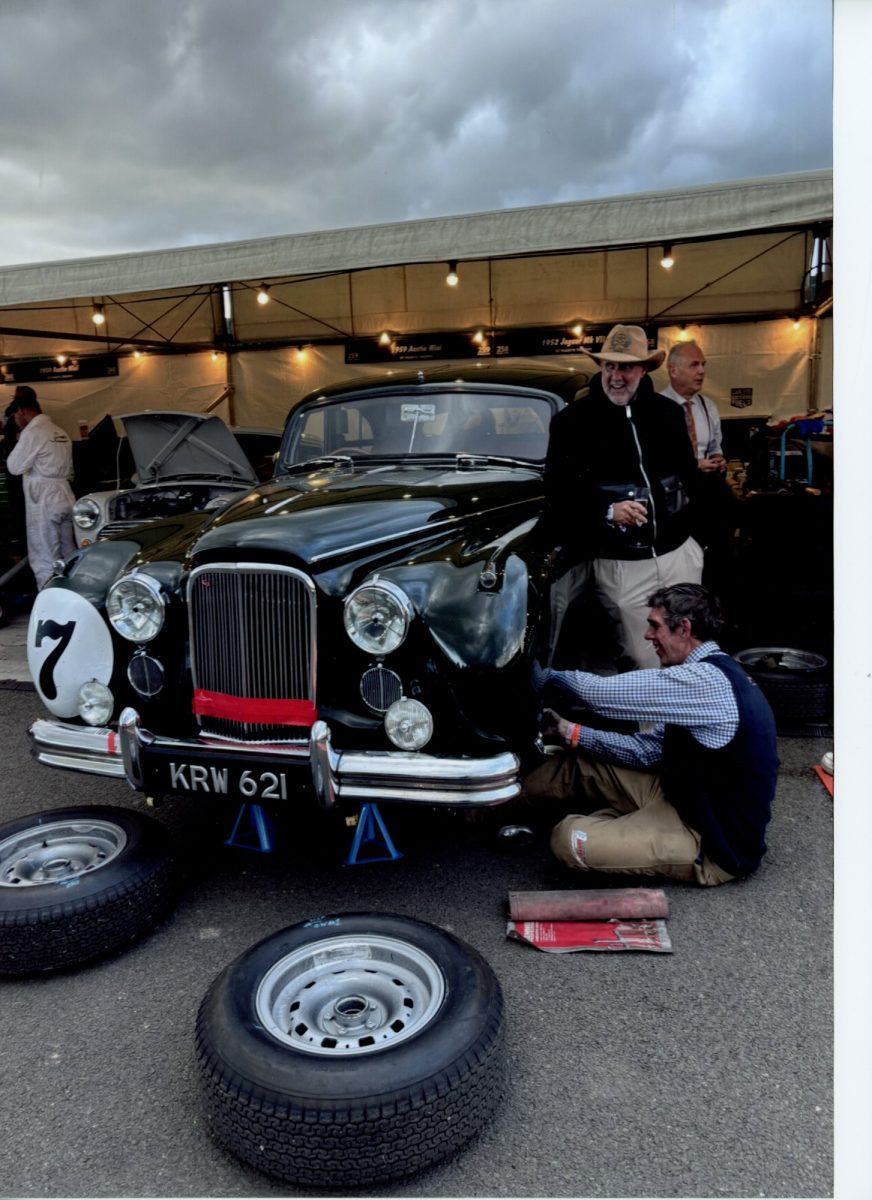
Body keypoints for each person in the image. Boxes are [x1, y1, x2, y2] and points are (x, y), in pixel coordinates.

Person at [525, 583, 778, 885]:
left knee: (568, 838)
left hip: (710, 842)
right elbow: (647, 751)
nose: (647, 635)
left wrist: (540, 675)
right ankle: (488, 809)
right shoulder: (711, 674)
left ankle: (619, 829)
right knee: (578, 764)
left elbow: (600, 695)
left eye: (655, 626)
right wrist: (570, 730)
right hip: (680, 797)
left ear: (684, 629)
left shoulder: (707, 681)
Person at [542, 323, 702, 669]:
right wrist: (606, 509)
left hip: (679, 555)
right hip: (622, 565)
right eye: (609, 366)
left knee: (688, 652)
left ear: (643, 369)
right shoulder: (572, 423)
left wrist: (697, 543)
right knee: (643, 658)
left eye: (626, 367)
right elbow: (558, 492)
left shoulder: (668, 413)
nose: (616, 376)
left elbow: (690, 478)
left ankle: (686, 707)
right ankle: (650, 708)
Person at [5, 386, 76, 588]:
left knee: (44, 557)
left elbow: (14, 466)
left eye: (15, 417)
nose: (16, 422)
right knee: (69, 552)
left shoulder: (33, 432)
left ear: (21, 411)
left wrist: (21, 439)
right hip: (66, 495)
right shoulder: (60, 431)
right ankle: (74, 594)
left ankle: (49, 600)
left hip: (44, 499)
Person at [660, 340, 726, 474]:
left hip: (704, 483)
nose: (702, 371)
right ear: (673, 371)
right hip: (672, 484)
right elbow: (654, 457)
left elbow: (714, 448)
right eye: (694, 365)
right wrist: (692, 465)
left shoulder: (708, 406)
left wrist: (717, 459)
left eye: (703, 364)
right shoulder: (656, 407)